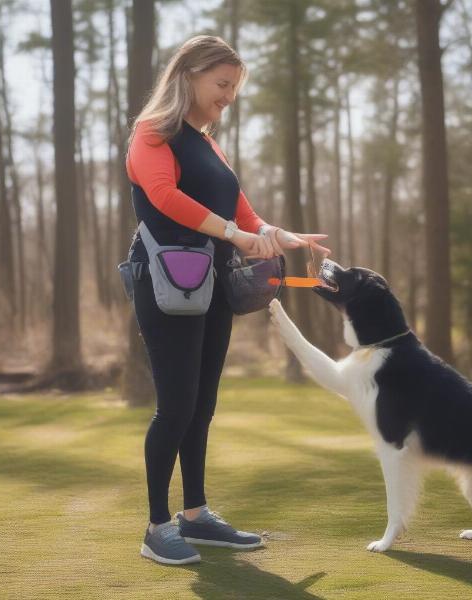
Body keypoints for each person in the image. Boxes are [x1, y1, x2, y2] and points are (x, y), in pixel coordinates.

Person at [126, 35, 328, 565]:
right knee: (175, 406)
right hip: (165, 279)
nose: (229, 96)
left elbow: (244, 214)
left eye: (234, 88)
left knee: (202, 405)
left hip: (212, 281)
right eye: (222, 84)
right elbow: (165, 196)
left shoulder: (209, 144)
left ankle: (196, 515)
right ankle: (156, 527)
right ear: (188, 74)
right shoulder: (153, 133)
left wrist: (281, 236)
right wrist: (235, 236)